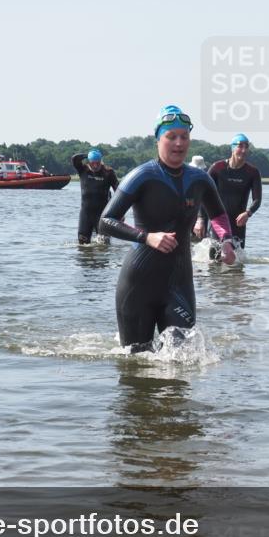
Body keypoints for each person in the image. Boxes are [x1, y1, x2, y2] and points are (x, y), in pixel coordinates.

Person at [99, 105, 235, 352]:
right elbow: (105, 221)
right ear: (158, 139)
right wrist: (146, 237)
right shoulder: (142, 176)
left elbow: (219, 214)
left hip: (179, 283)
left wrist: (226, 240)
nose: (178, 143)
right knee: (136, 363)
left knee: (183, 359)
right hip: (138, 284)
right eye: (171, 136)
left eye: (184, 137)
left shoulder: (200, 179)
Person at [194, 133, 262, 248]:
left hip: (238, 224)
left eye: (246, 146)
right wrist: (200, 219)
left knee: (236, 262)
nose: (244, 150)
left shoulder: (252, 172)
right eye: (240, 146)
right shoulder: (217, 168)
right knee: (214, 259)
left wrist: (248, 213)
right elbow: (203, 194)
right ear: (232, 148)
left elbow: (257, 199)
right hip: (218, 222)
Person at [72, 148, 119, 244]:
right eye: (93, 162)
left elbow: (118, 192)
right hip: (86, 213)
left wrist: (119, 213)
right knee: (83, 243)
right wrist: (88, 154)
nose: (95, 165)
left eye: (97, 162)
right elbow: (75, 159)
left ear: (101, 161)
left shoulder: (108, 172)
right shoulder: (83, 170)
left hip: (103, 214)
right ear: (89, 161)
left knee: (104, 244)